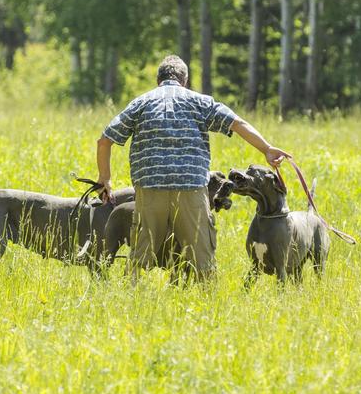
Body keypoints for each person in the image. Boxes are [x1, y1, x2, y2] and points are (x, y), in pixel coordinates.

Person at [96, 55, 291, 284]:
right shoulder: (200, 102)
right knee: (203, 259)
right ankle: (208, 306)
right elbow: (238, 124)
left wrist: (105, 179)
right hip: (190, 190)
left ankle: (132, 299)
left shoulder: (141, 103)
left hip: (150, 190)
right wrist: (267, 149)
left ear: (158, 80)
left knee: (140, 255)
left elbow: (104, 140)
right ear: (185, 80)